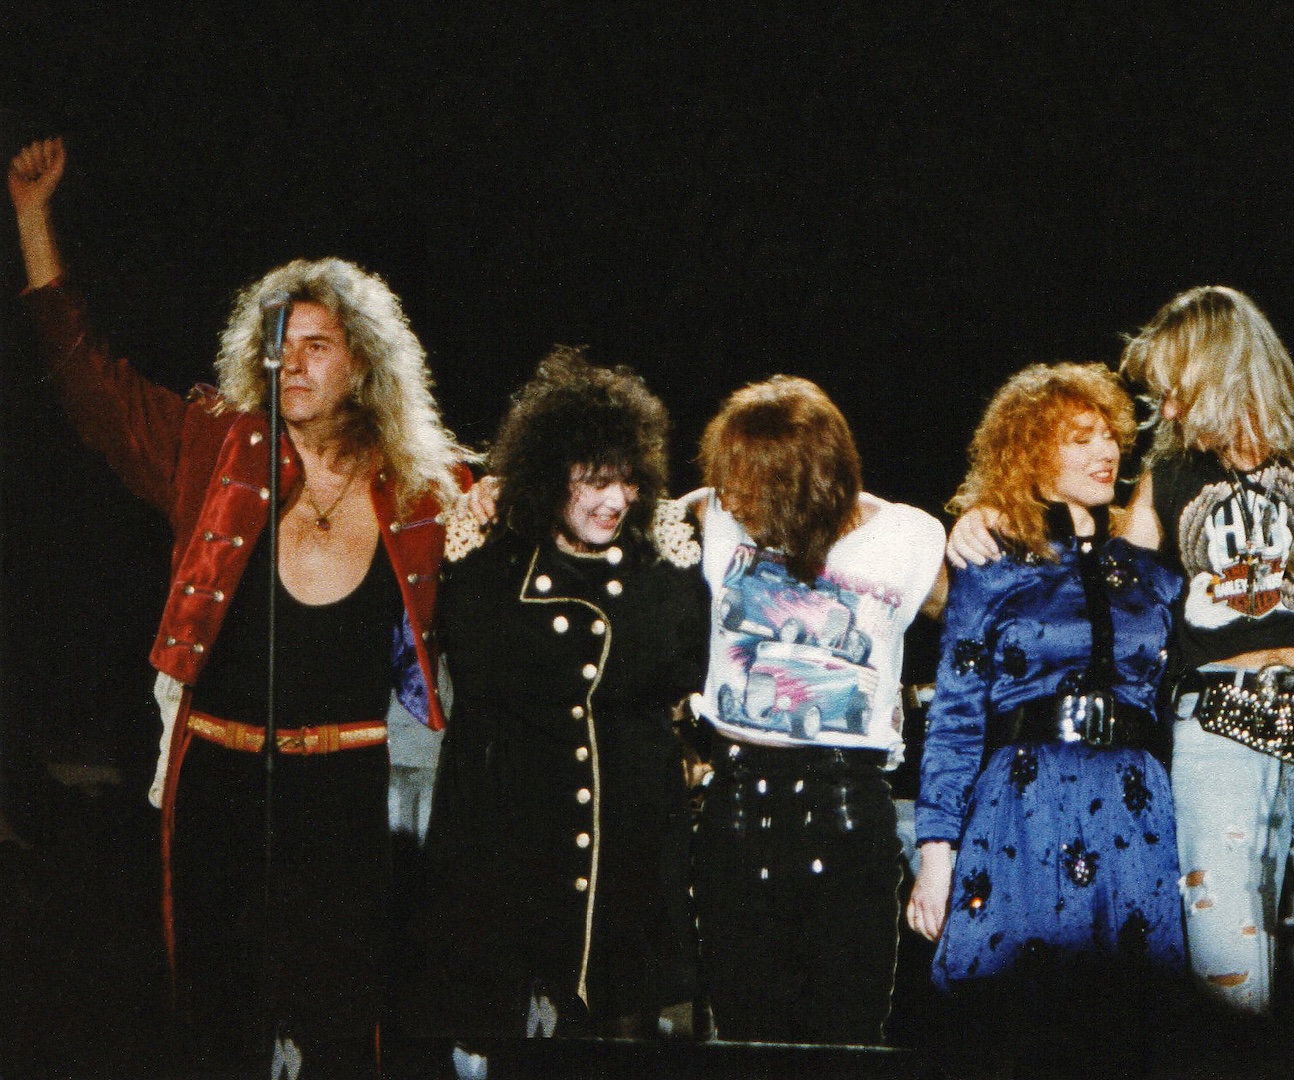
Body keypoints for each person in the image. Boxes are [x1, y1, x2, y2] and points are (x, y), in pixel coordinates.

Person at [948, 108, 1294, 1050]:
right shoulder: (1163, 481)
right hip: (1218, 727)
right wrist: (994, 511)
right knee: (1229, 992)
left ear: (1218, 362)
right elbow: (1085, 584)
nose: (1163, 404)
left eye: (1171, 382)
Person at [9, 137, 471, 1076]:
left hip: (346, 789)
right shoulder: (212, 448)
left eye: (316, 348)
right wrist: (31, 218)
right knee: (214, 1026)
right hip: (219, 779)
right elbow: (90, 384)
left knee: (346, 1030)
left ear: (363, 362)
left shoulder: (428, 489)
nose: (290, 366)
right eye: (278, 349)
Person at [422, 348, 709, 1062]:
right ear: (550, 474)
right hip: (509, 825)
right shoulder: (486, 555)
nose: (616, 500)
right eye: (595, 480)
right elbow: (473, 669)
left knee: (624, 1024)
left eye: (629, 481)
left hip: (627, 833)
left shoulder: (665, 561)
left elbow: (680, 666)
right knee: (501, 1029)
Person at [908, 363, 1183, 1062]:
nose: (1105, 451)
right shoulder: (991, 562)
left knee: (1131, 1025)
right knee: (1011, 1026)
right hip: (1023, 807)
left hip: (1134, 807)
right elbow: (956, 714)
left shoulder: (1147, 566)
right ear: (1031, 452)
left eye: (1108, 436)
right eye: (1079, 439)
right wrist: (935, 852)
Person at [683, 375, 946, 1045]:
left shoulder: (908, 537)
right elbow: (602, 511)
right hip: (735, 802)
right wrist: (506, 492)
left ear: (811, 477)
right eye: (728, 481)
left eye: (752, 485)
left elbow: (983, 610)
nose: (734, 498)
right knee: (744, 1036)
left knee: (846, 1038)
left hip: (847, 806)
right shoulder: (711, 514)